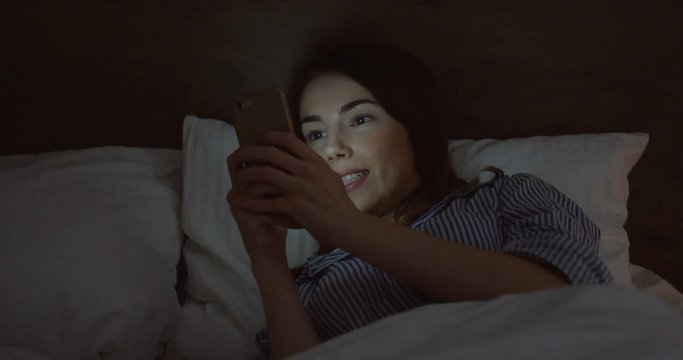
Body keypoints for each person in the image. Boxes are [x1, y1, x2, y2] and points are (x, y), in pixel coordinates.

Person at [226, 42, 613, 359]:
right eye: (314, 135)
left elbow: (566, 305)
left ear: (415, 129)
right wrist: (268, 259)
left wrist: (348, 226)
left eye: (359, 119)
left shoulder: (507, 197)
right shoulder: (313, 287)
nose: (332, 149)